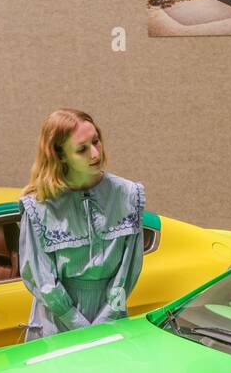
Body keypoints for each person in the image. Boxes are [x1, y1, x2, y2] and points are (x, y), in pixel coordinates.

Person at [18, 109, 146, 341]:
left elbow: (128, 269)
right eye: (82, 149)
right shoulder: (39, 206)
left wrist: (107, 318)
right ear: (61, 155)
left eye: (96, 141)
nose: (95, 153)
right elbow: (41, 277)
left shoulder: (128, 195)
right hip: (58, 321)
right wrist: (78, 325)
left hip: (112, 316)